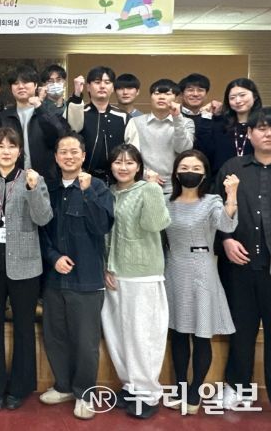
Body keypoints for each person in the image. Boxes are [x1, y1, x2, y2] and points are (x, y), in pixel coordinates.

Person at [213, 107, 271, 424]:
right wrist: (226, 240)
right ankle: (237, 387)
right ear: (250, 133)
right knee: (240, 331)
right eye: (262, 128)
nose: (269, 133)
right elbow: (214, 210)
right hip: (240, 267)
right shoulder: (232, 167)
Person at [39, 133, 114, 420]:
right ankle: (63, 386)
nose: (69, 156)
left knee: (85, 341)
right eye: (63, 152)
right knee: (55, 336)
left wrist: (87, 193)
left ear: (83, 156)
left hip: (86, 279)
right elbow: (40, 230)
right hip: (55, 278)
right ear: (56, 157)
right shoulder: (49, 188)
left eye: (74, 152)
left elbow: (102, 226)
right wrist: (53, 258)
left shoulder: (97, 187)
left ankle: (85, 393)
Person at [0, 127, 52, 411]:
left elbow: (44, 218)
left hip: (26, 263)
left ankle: (19, 388)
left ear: (20, 151)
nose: (6, 151)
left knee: (23, 327)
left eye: (11, 146)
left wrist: (33, 190)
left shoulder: (33, 179)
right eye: (0, 146)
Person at [164, 149, 237, 415]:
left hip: (202, 270)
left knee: (201, 334)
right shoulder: (166, 200)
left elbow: (227, 226)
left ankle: (195, 392)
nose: (190, 172)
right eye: (184, 167)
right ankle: (180, 388)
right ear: (175, 172)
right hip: (174, 267)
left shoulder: (212, 201)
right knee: (178, 332)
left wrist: (232, 196)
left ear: (205, 174)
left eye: (196, 168)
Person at [101, 143, 171, 419]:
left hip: (143, 273)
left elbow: (157, 224)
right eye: (118, 162)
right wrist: (106, 267)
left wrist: (153, 188)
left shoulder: (147, 190)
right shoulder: (108, 193)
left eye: (129, 162)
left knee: (143, 336)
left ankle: (149, 393)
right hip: (114, 273)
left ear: (139, 166)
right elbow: (105, 235)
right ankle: (131, 386)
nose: (123, 167)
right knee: (118, 335)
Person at [0, 65, 68, 186]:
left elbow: (58, 138)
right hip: (12, 182)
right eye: (16, 83)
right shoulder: (2, 118)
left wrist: (39, 108)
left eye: (25, 82)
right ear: (11, 88)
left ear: (36, 85)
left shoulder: (49, 112)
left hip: (45, 181)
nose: (21, 86)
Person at [65, 66, 139, 184]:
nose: (102, 86)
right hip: (82, 178)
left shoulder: (124, 117)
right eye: (97, 82)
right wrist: (77, 94)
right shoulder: (79, 111)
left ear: (112, 88)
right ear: (88, 87)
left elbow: (133, 151)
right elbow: (70, 134)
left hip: (117, 181)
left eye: (107, 82)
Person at [130, 79, 194, 194]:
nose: (161, 97)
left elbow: (183, 149)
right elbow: (131, 156)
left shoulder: (186, 122)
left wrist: (177, 118)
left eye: (167, 94)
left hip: (176, 186)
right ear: (151, 97)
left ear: (176, 98)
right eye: (157, 93)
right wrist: (144, 174)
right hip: (142, 184)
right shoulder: (135, 122)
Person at [196, 78, 262, 176]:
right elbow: (204, 150)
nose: (238, 101)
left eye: (242, 95)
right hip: (222, 179)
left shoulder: (264, 125)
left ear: (255, 96)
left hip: (256, 179)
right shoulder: (219, 124)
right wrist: (206, 116)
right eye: (232, 97)